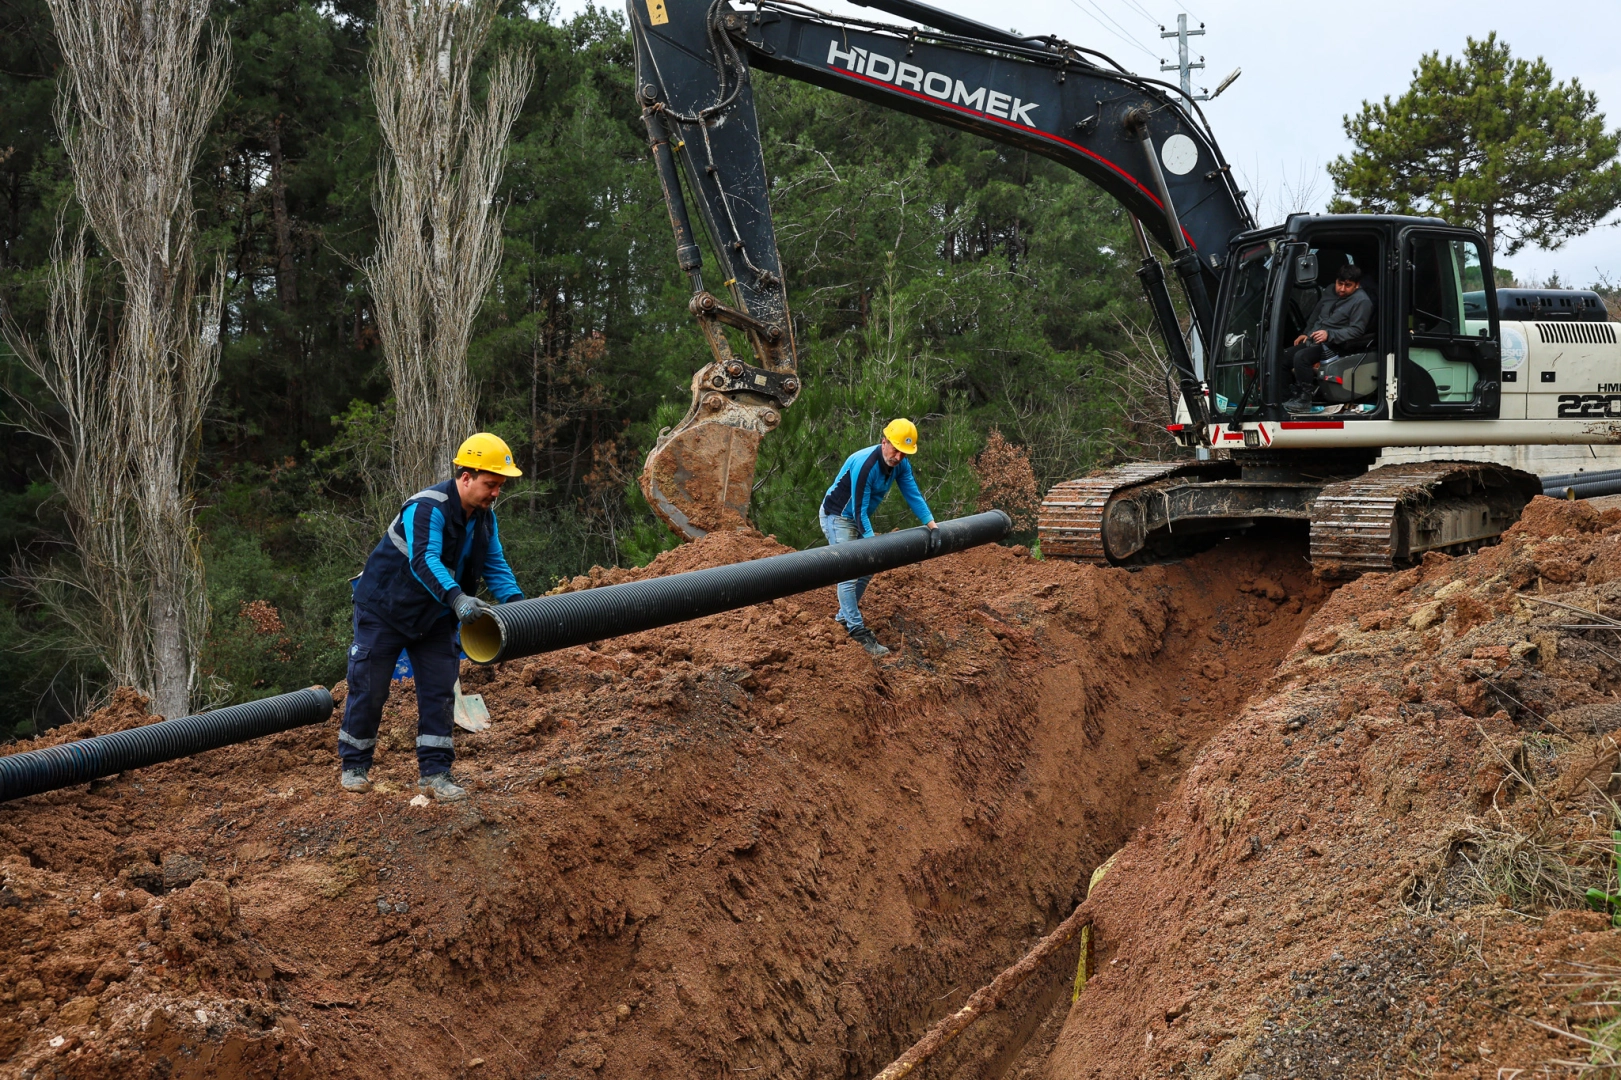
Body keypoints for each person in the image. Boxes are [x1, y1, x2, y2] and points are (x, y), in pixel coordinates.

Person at [337, 433, 526, 801]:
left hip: (435, 615)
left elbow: (494, 564)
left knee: (440, 690)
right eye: (490, 484)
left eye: (500, 486)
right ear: (466, 477)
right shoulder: (427, 507)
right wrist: (458, 600)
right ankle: (354, 766)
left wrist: (518, 606)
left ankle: (435, 774)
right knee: (370, 689)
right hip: (385, 610)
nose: (495, 493)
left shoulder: (485, 519)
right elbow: (424, 560)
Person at [819, 418, 938, 657]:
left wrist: (932, 525)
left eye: (904, 453)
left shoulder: (900, 465)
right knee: (848, 571)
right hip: (839, 516)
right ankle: (855, 630)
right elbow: (858, 509)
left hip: (857, 516)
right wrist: (874, 541)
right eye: (896, 450)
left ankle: (842, 619)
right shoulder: (866, 464)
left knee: (868, 567)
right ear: (884, 441)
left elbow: (913, 493)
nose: (898, 457)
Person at [1283, 264, 1374, 412]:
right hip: (1314, 339)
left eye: (1348, 286)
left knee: (1301, 358)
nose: (1342, 289)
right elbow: (1316, 314)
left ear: (1357, 285)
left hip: (1337, 343)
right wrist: (1306, 332)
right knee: (1283, 358)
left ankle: (1304, 399)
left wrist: (1329, 334)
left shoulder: (1362, 301)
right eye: (1340, 284)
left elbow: (1357, 330)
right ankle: (1285, 399)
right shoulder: (1330, 291)